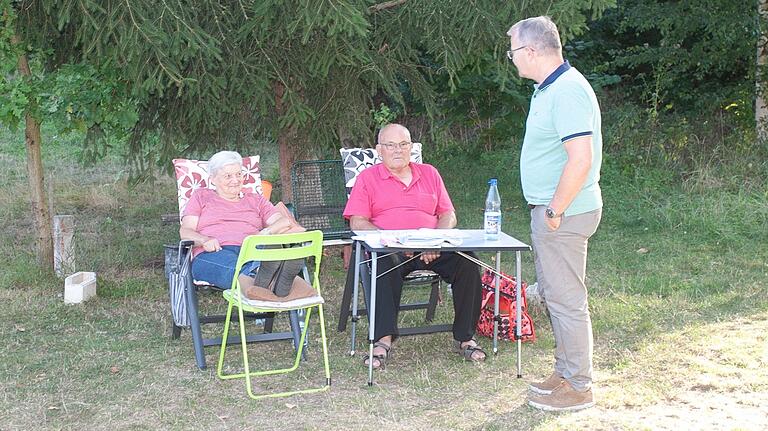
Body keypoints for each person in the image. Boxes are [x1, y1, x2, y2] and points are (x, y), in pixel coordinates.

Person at [506, 16, 603, 411]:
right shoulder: (549, 89)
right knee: (554, 295)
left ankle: (579, 385)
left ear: (530, 51)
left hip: (563, 215)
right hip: (553, 213)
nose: (511, 60)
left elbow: (580, 159)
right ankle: (565, 372)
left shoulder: (567, 91)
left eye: (513, 51)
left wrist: (554, 210)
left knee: (566, 300)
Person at [343, 123, 486, 369]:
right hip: (392, 248)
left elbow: (448, 214)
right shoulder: (368, 178)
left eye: (403, 144)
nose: (397, 150)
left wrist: (436, 240)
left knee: (467, 261)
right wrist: (392, 241)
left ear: (411, 148)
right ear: (379, 150)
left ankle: (465, 337)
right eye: (390, 145)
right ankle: (383, 339)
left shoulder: (429, 173)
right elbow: (358, 221)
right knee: (382, 264)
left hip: (432, 245)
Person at [179, 150, 309, 299]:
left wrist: (263, 234)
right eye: (228, 176)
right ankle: (277, 283)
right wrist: (204, 240)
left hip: (251, 250)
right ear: (213, 179)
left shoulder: (255, 200)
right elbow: (186, 231)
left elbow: (284, 221)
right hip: (214, 252)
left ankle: (261, 281)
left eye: (239, 174)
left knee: (257, 259)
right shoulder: (201, 197)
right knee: (236, 266)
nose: (235, 180)